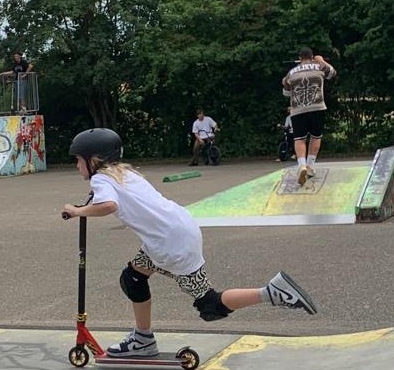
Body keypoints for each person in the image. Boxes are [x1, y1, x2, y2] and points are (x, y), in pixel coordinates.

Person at [62, 128, 317, 357]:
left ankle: (272, 293)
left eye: (78, 159)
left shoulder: (101, 179)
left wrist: (77, 211)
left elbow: (108, 205)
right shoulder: (124, 173)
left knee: (209, 305)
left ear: (93, 160)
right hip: (176, 230)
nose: (76, 166)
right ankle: (143, 339)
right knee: (133, 277)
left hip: (171, 244)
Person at [282, 47, 336, 185]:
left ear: (300, 58)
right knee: (316, 136)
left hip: (298, 109)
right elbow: (332, 73)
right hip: (317, 106)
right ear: (312, 57)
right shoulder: (319, 66)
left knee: (299, 139)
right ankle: (310, 166)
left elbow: (286, 92)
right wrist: (322, 61)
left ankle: (301, 165)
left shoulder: (291, 72)